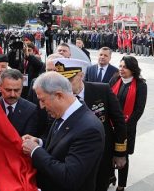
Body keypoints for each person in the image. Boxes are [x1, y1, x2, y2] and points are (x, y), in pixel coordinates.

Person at [22, 71, 105, 191]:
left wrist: (35, 150)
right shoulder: (62, 114)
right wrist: (39, 142)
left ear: (59, 95)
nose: (41, 106)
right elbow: (60, 146)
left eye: (42, 100)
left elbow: (69, 177)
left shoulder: (89, 129)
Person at [53, 58, 127, 191]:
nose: (65, 87)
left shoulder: (102, 90)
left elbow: (119, 122)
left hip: (102, 156)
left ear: (81, 76)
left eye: (69, 80)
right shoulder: (57, 96)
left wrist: (120, 153)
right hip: (71, 158)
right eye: (61, 82)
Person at [110, 56, 147, 191]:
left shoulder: (141, 85)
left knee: (122, 157)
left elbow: (139, 110)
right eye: (120, 66)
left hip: (126, 129)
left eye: (125, 67)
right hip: (110, 126)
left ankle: (121, 186)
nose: (121, 69)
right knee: (109, 153)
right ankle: (111, 176)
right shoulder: (114, 79)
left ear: (132, 69)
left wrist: (123, 128)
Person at [0, 69, 38, 137]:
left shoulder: (31, 110)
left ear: (22, 88)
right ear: (0, 87)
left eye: (17, 90)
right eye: (8, 90)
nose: (12, 95)